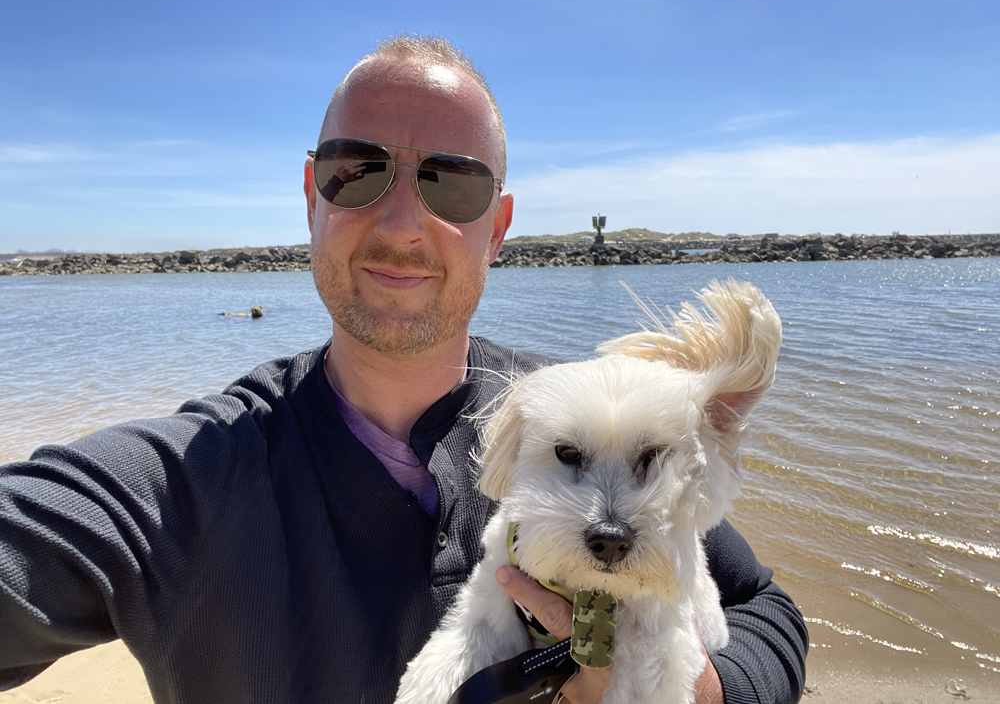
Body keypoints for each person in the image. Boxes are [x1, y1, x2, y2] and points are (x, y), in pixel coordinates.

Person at [0, 35, 807, 704]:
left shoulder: (585, 414)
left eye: (451, 183)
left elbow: (763, 608)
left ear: (498, 226)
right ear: (312, 198)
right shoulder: (178, 483)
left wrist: (704, 690)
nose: (400, 221)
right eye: (358, 170)